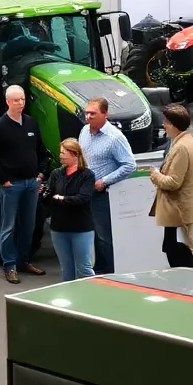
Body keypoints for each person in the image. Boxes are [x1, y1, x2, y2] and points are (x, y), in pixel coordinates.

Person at [0, 85, 48, 283]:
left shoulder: (31, 123)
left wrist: (41, 173)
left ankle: (24, 261)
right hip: (12, 186)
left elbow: (41, 150)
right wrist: (4, 180)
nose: (20, 103)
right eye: (16, 100)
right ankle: (9, 265)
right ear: (7, 102)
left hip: (31, 184)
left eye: (22, 99)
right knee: (8, 227)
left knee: (28, 225)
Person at [78, 97, 136, 275]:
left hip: (103, 194)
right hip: (85, 192)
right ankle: (100, 268)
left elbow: (129, 164)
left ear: (105, 114)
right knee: (93, 233)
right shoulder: (84, 131)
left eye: (93, 114)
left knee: (104, 236)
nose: (88, 117)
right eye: (86, 113)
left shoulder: (115, 137)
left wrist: (104, 181)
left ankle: (111, 272)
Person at [149, 105, 193, 268]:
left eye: (166, 122)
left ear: (174, 124)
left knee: (179, 255)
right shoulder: (185, 142)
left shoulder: (181, 147)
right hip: (179, 211)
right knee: (176, 250)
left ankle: (187, 289)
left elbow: (173, 182)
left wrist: (155, 175)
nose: (164, 125)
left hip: (179, 212)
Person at [45, 139, 96, 280]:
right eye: (60, 152)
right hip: (59, 227)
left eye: (64, 153)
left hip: (81, 228)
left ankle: (92, 294)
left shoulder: (87, 175)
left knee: (84, 267)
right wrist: (46, 195)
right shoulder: (56, 174)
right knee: (66, 268)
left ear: (75, 154)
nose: (60, 156)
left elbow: (82, 199)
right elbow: (49, 197)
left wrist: (61, 198)